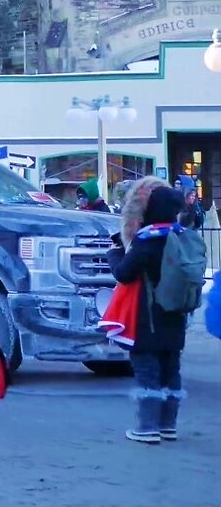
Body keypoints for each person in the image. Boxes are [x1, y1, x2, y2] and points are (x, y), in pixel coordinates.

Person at [108, 177, 189, 444]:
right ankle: (168, 425)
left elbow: (124, 273)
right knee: (171, 370)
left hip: (146, 318)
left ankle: (146, 428)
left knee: (147, 371)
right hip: (176, 316)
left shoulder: (147, 239)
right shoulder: (182, 236)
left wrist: (115, 252)